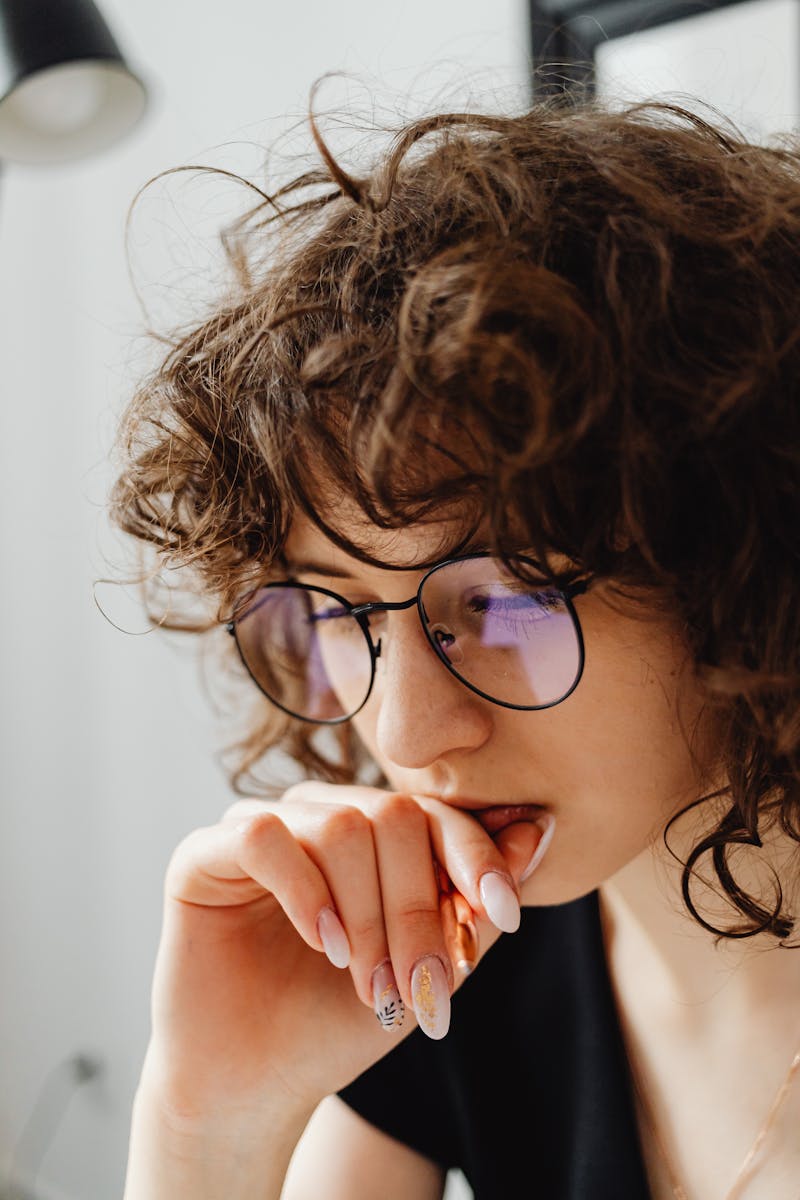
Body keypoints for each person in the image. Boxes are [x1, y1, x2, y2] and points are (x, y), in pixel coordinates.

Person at [111, 86, 800, 1200]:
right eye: (336, 612)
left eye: (505, 602)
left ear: (738, 560)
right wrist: (208, 1123)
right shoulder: (449, 979)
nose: (408, 731)